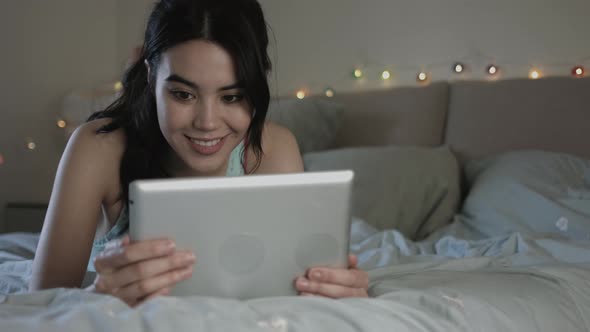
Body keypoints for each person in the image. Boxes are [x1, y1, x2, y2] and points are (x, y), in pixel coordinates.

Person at [30, 0, 369, 307]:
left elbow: (292, 287)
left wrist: (329, 289)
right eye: (183, 94)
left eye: (232, 97)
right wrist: (100, 297)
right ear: (151, 77)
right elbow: (42, 302)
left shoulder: (272, 150)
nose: (207, 123)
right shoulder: (98, 148)